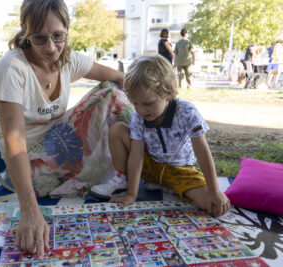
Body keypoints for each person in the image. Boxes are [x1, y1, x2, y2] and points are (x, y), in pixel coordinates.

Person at [0, 0, 132, 259]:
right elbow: (14, 143)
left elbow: (120, 79)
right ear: (25, 32)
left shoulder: (68, 60)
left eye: (58, 36)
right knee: (110, 96)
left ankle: (153, 167)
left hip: (62, 147)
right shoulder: (12, 68)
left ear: (67, 28)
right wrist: (29, 210)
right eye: (40, 38)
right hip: (29, 166)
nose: (51, 47)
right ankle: (125, 173)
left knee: (113, 94)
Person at [90, 55, 230, 218]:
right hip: (151, 167)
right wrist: (131, 195)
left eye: (148, 103)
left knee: (214, 206)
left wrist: (214, 190)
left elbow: (202, 151)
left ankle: (166, 185)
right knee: (117, 130)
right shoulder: (139, 117)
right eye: (135, 103)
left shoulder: (187, 112)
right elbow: (136, 157)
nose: (141, 110)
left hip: (181, 171)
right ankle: (124, 179)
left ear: (168, 93)